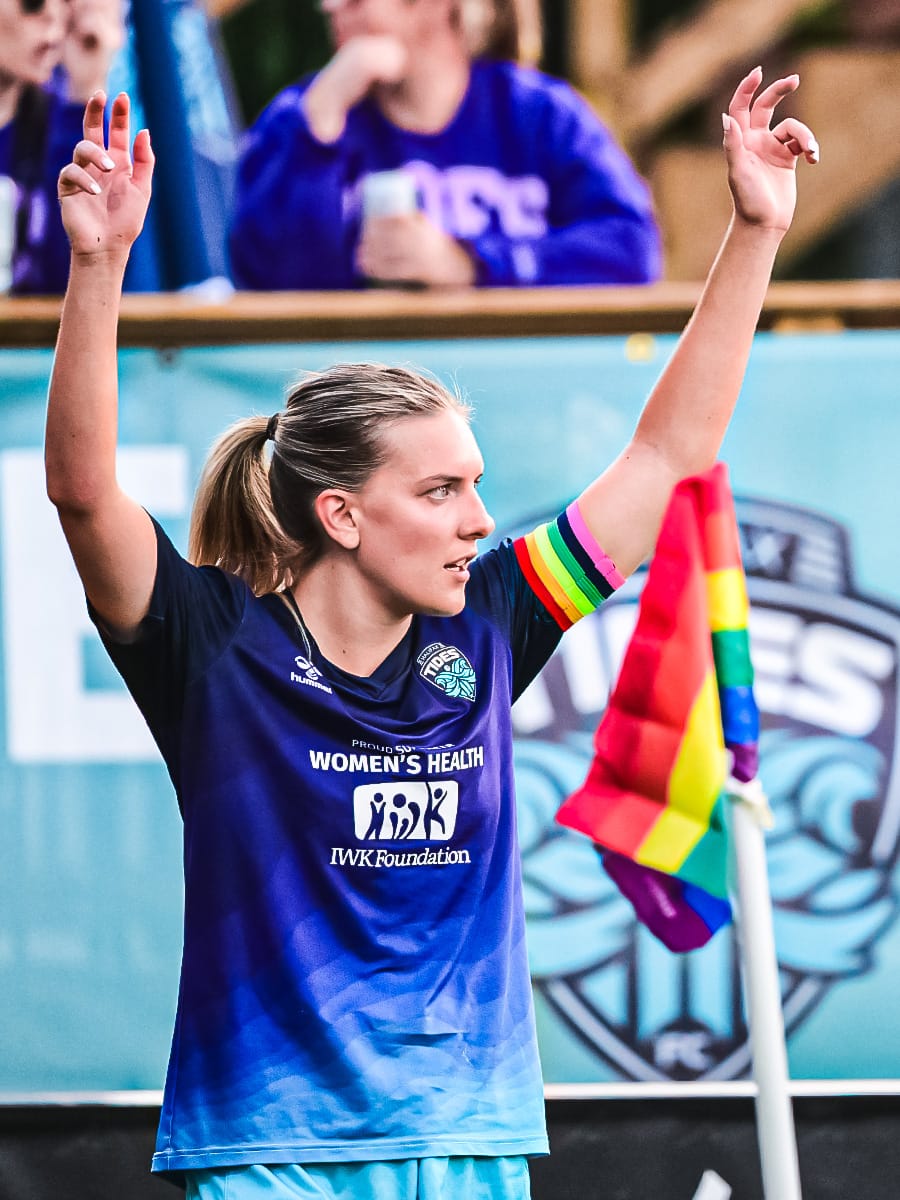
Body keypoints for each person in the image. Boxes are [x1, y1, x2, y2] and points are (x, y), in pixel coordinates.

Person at [47, 67, 816, 1200]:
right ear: (342, 515)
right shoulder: (210, 647)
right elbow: (82, 495)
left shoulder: (495, 623)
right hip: (271, 1152)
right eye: (442, 490)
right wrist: (101, 265)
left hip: (470, 1141)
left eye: (478, 485)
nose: (478, 520)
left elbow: (666, 459)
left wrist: (754, 231)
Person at [227, 0, 662, 290]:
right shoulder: (306, 115)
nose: (331, 5)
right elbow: (264, 278)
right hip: (370, 393)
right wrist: (318, 130)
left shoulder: (540, 114)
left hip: (520, 386)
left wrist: (470, 264)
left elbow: (633, 251)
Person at [0, 0, 123, 293]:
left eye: (67, 4)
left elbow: (83, 284)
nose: (54, 19)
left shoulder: (63, 123)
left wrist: (85, 92)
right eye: (32, 3)